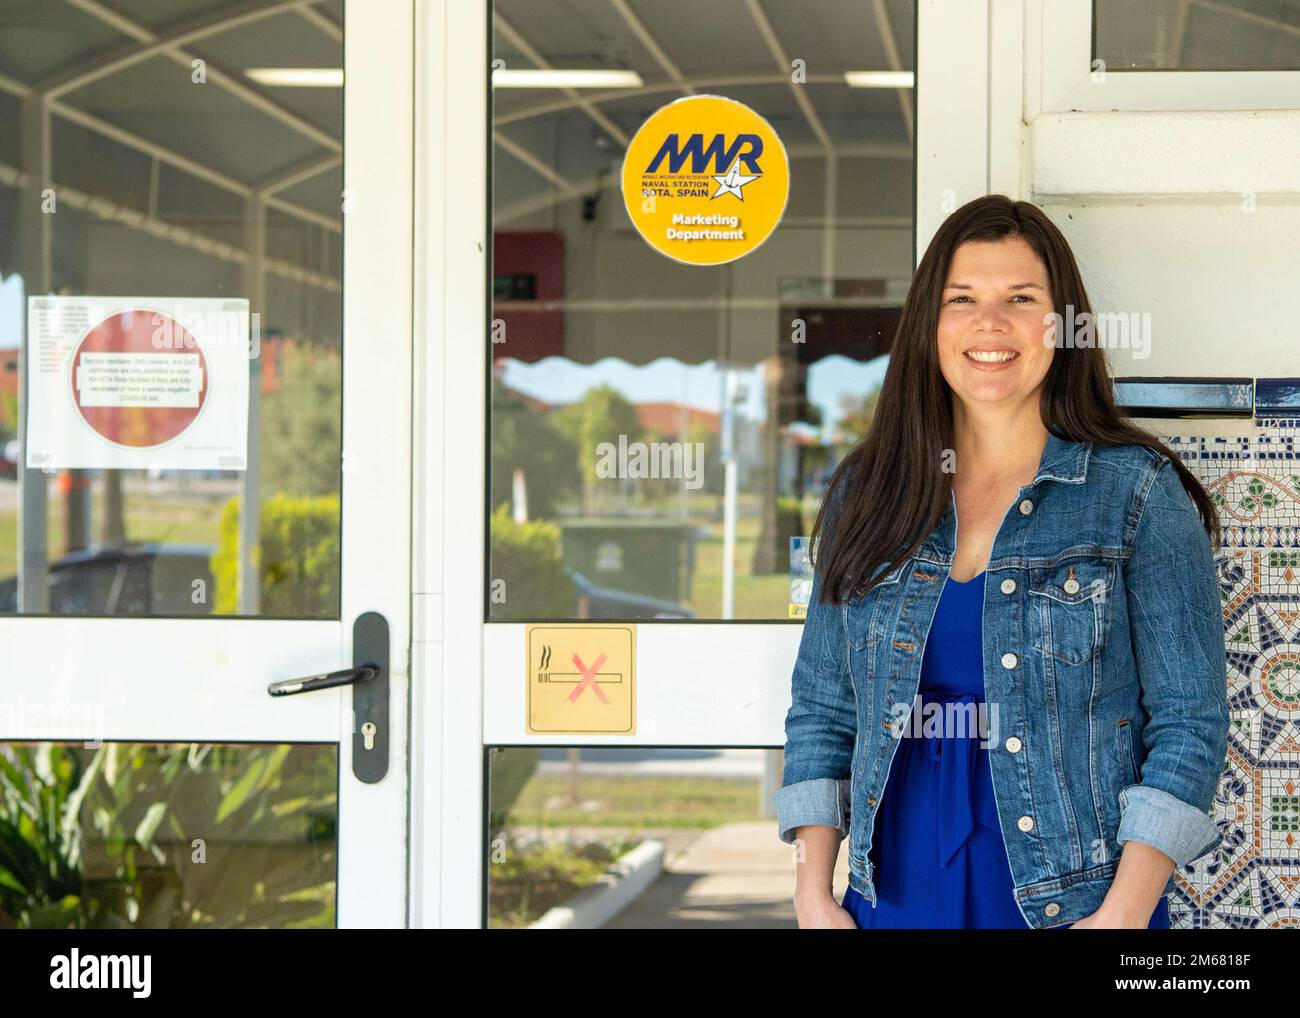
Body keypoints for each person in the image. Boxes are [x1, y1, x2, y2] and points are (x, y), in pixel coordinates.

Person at [774, 194, 1229, 929]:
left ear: (1063, 324)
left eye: (1021, 298)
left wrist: (1120, 917)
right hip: (890, 897)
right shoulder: (867, 490)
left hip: (1076, 906)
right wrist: (812, 894)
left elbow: (1189, 724)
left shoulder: (1135, 492)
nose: (991, 324)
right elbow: (823, 711)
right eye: (963, 299)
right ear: (931, 324)